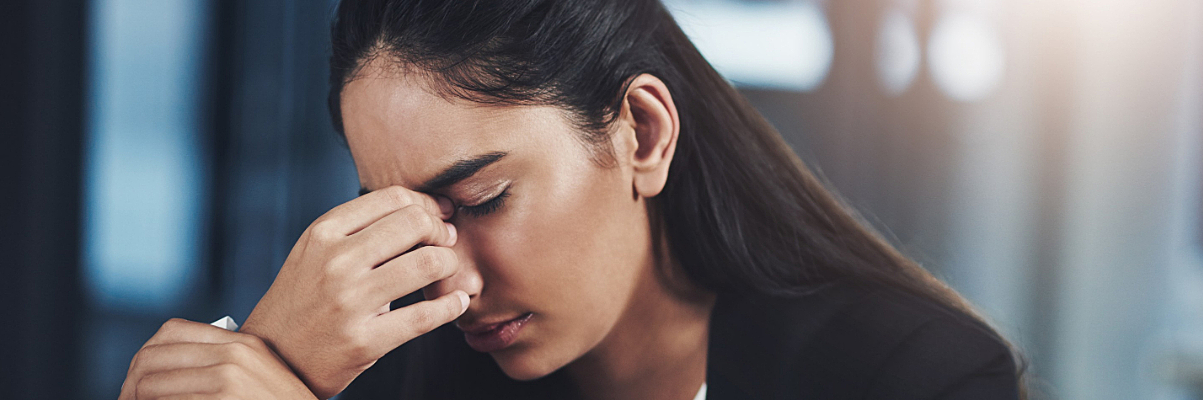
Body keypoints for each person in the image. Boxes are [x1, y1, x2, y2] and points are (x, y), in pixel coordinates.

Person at [118, 1, 1025, 399]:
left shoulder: (911, 379)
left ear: (641, 132)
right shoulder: (408, 373)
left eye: (479, 198)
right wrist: (264, 365)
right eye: (397, 220)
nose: (450, 280)